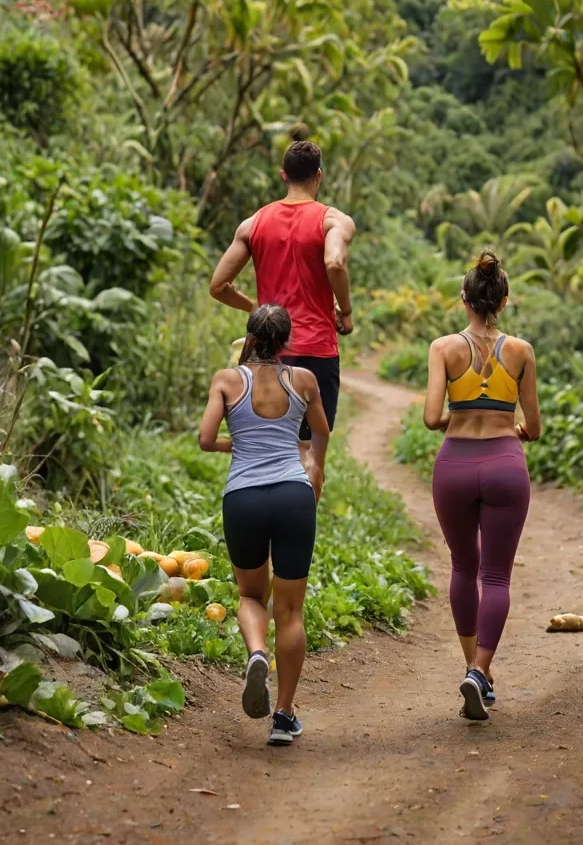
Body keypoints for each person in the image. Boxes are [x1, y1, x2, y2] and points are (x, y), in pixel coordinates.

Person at [199, 304, 331, 745]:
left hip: (244, 498)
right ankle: (284, 716)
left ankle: (257, 653)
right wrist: (315, 471)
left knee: (251, 595)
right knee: (290, 611)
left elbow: (204, 439)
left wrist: (232, 445)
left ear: (250, 336)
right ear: (286, 341)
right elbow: (321, 434)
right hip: (294, 497)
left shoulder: (227, 380)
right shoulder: (304, 381)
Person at [422, 251, 541, 722]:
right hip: (505, 465)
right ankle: (481, 672)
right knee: (496, 575)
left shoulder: (443, 348)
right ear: (504, 302)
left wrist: (464, 413)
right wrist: (504, 420)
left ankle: (472, 665)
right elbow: (532, 426)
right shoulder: (522, 352)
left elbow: (432, 418)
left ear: (463, 299)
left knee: (462, 566)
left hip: (454, 466)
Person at [209, 135, 356, 450]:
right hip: (317, 352)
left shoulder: (253, 224)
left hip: (269, 351)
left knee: (270, 446)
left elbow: (218, 286)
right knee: (312, 450)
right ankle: (306, 499)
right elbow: (334, 262)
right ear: (319, 176)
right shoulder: (333, 220)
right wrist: (345, 312)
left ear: (283, 176)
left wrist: (254, 310)